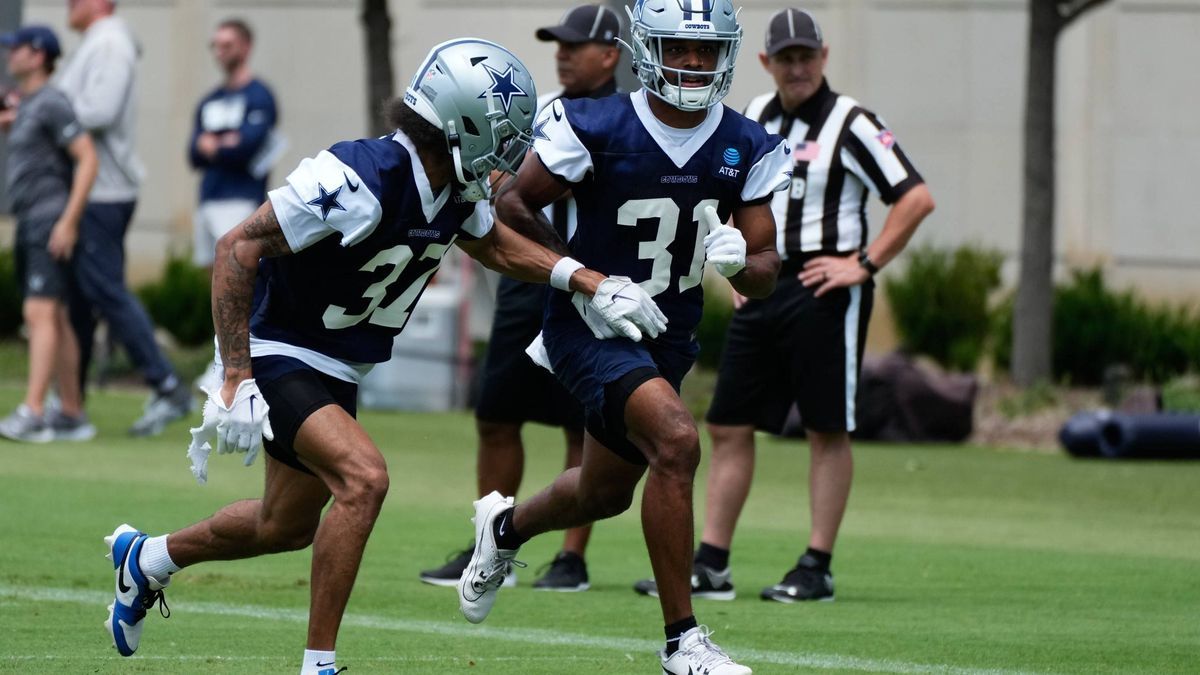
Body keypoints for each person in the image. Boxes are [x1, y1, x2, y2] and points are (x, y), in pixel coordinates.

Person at [101, 38, 666, 675]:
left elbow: (499, 247)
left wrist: (587, 280)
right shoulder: (359, 176)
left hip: (337, 368)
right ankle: (319, 666)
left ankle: (147, 558)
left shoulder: (453, 189)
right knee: (364, 480)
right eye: (502, 132)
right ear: (463, 125)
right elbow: (237, 248)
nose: (511, 150)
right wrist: (236, 375)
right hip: (283, 352)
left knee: (282, 526)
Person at [460, 2, 792, 673]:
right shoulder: (595, 123)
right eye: (678, 47)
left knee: (603, 493)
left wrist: (739, 261)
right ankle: (683, 643)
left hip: (666, 335)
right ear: (643, 49)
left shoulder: (745, 142)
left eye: (706, 50)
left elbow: (765, 273)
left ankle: (504, 528)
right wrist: (585, 279)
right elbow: (513, 204)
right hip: (589, 325)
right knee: (676, 440)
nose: (694, 63)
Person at [635, 7, 935, 604]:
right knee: (726, 423)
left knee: (826, 427)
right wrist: (734, 265)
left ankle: (816, 563)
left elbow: (915, 197)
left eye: (807, 56)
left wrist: (864, 263)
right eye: (786, 58)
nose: (797, 68)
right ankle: (712, 560)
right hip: (764, 283)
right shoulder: (756, 115)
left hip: (826, 287)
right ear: (767, 62)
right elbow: (729, 193)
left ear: (823, 58)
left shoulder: (851, 121)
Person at [419, 3, 621, 593]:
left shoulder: (628, 120)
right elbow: (500, 181)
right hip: (528, 282)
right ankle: (492, 541)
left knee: (583, 424)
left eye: (574, 44)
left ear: (610, 54)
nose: (561, 53)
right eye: (558, 44)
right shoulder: (544, 115)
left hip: (593, 285)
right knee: (496, 413)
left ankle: (570, 557)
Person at [56, 0, 193, 436]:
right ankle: (70, 404)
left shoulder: (111, 41)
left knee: (104, 289)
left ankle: (166, 383)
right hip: (90, 189)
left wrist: (40, 111)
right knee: (78, 299)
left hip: (105, 191)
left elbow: (99, 111)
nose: (68, 5)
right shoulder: (97, 42)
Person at [0, 25, 97, 443]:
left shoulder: (52, 102)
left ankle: (34, 411)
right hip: (33, 219)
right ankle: (72, 412)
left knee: (38, 314)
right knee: (55, 316)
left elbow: (88, 158)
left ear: (38, 55)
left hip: (47, 219)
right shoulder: (29, 105)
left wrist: (68, 221)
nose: (9, 55)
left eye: (16, 49)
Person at [188, 17, 279, 393]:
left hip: (241, 200)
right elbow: (193, 152)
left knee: (242, 281)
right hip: (208, 198)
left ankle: (242, 364)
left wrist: (218, 145)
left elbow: (249, 146)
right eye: (215, 45)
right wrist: (222, 144)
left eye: (227, 44)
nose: (219, 51)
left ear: (244, 46)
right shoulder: (210, 100)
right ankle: (219, 361)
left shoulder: (259, 96)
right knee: (216, 282)